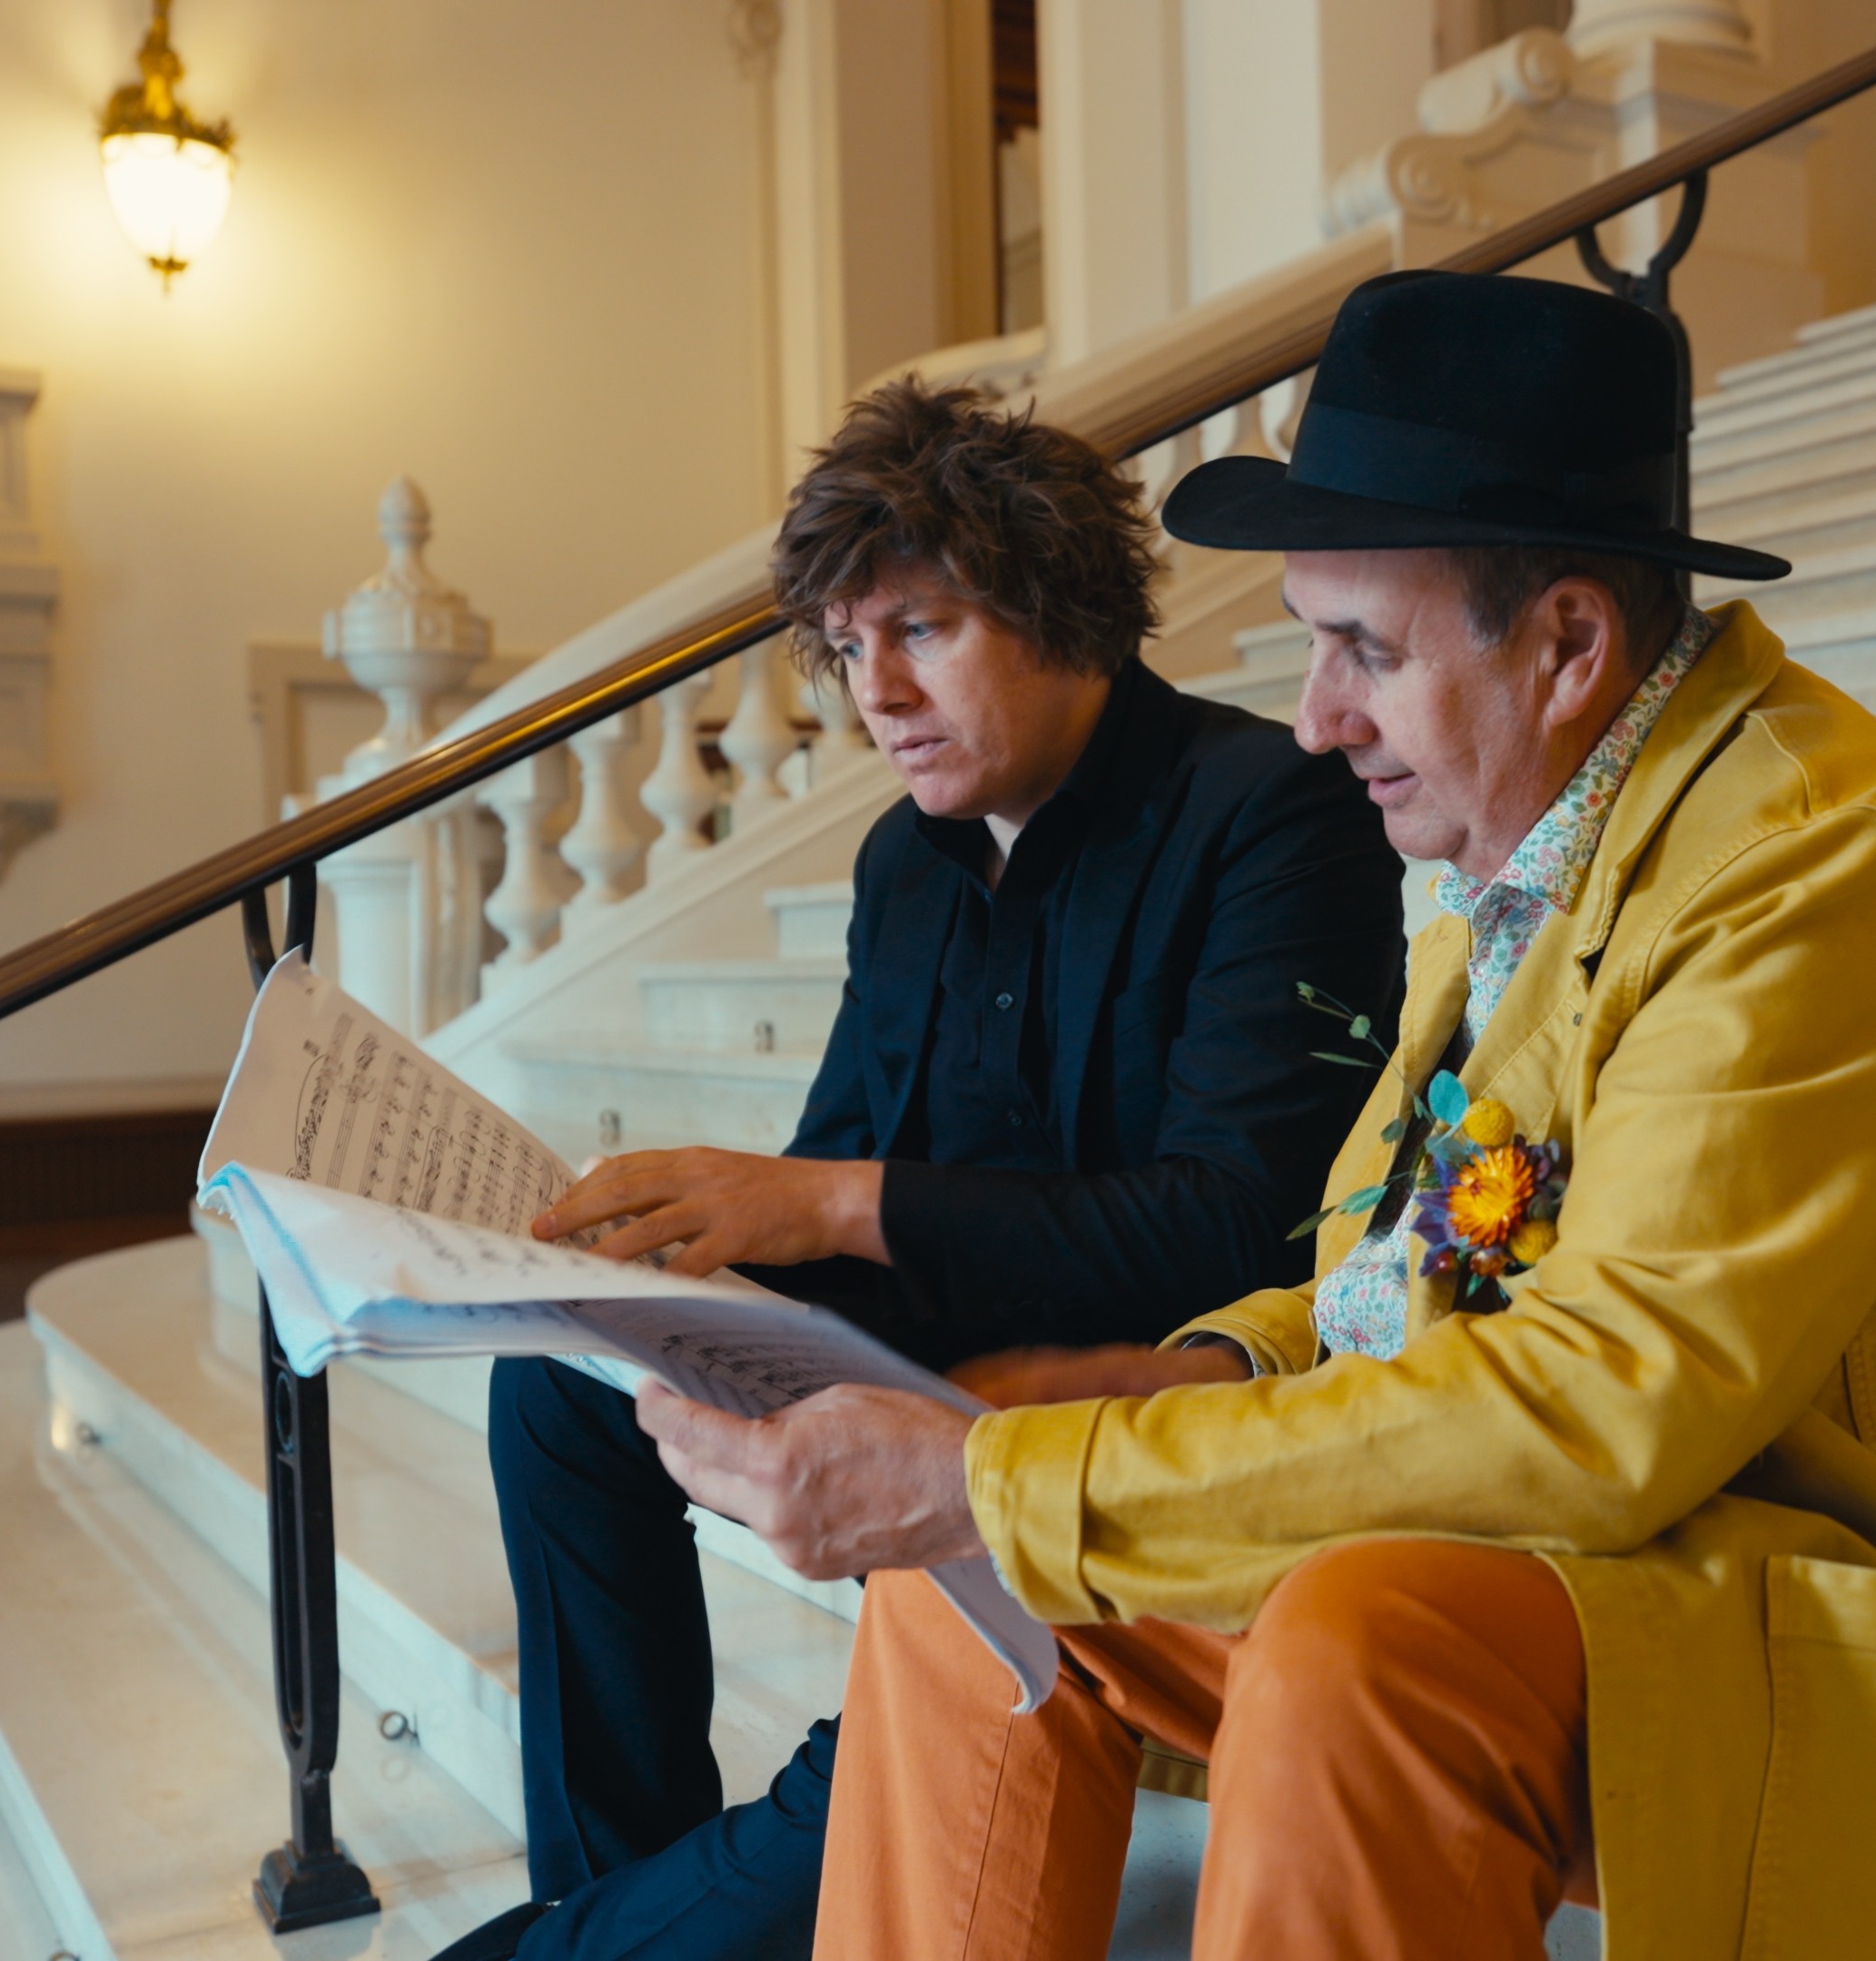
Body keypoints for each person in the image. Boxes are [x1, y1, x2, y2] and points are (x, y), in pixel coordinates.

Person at [630, 271, 1876, 1959]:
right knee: (970, 1583)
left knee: (1351, 1633)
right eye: (1310, 642)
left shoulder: (1820, 869)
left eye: (1364, 651)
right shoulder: (1523, 847)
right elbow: (1397, 1280)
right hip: (1622, 1576)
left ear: (1568, 646)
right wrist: (1201, 1370)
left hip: (1855, 1626)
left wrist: (1008, 1475)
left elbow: (1599, 1406)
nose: (1315, 717)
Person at [447, 380, 1407, 1961]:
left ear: (1060, 606)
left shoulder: (1270, 806)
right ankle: (616, 1898)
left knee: (892, 1708)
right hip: (938, 1346)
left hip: (1141, 1387)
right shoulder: (903, 858)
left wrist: (829, 1202)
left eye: (921, 629)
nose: (875, 693)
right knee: (559, 1383)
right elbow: (833, 1162)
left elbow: (1235, 1221)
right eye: (846, 647)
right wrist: (651, 1268)